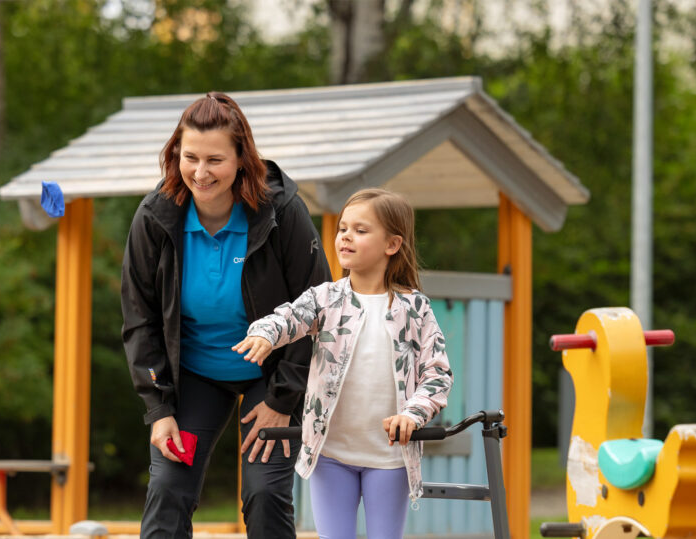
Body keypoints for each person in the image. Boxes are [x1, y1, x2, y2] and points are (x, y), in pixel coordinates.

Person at [121, 91, 332, 539]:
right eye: (190, 157)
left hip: (271, 376)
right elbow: (140, 318)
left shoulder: (282, 212)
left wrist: (283, 400)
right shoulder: (155, 217)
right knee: (168, 488)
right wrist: (159, 408)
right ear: (176, 155)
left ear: (241, 158)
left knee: (264, 493)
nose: (201, 172)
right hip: (194, 376)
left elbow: (318, 307)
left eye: (215, 159)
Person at [234, 188, 454, 539]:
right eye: (343, 228)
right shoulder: (325, 298)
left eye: (360, 230)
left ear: (392, 244)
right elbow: (289, 317)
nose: (346, 237)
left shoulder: (416, 309)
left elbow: (437, 374)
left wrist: (413, 414)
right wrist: (264, 333)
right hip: (331, 456)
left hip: (389, 459)